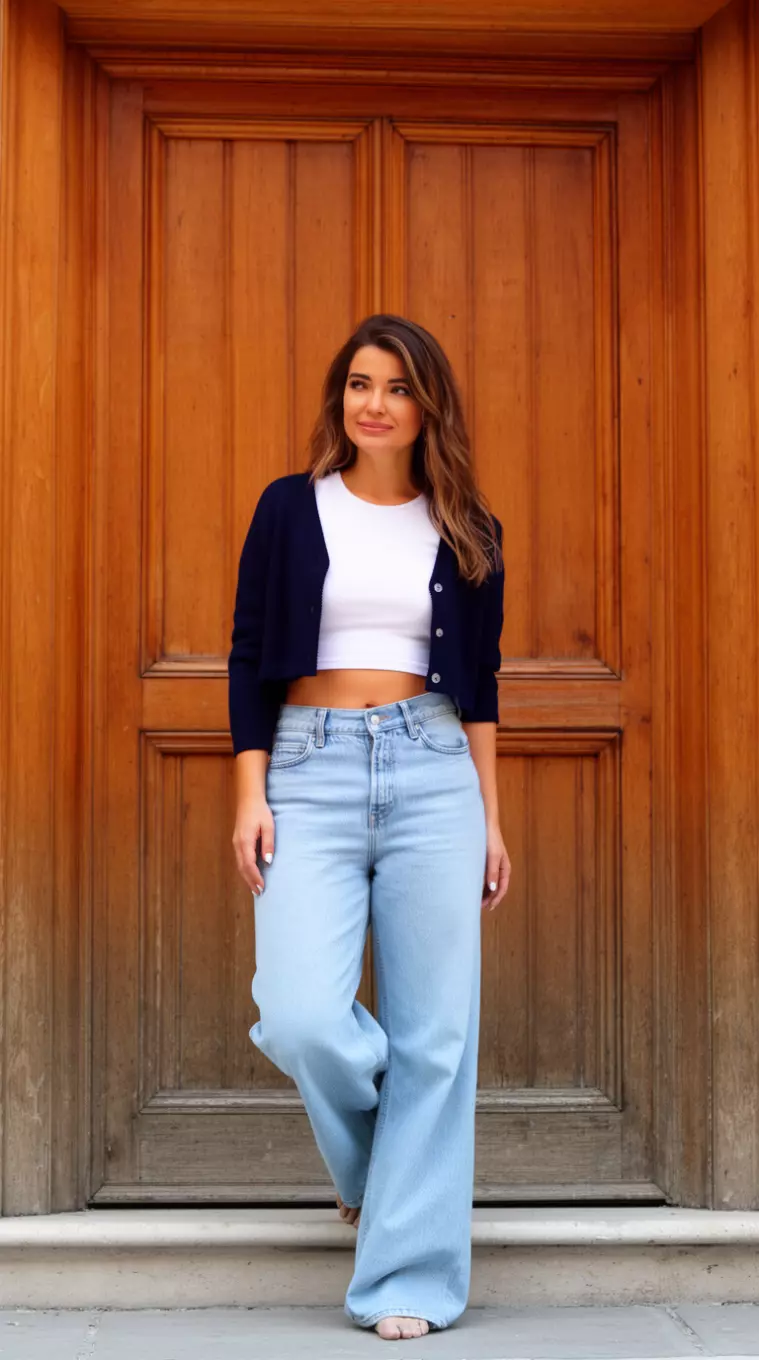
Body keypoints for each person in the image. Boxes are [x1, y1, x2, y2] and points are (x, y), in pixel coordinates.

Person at [228, 313, 511, 1341]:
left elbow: (480, 687)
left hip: (434, 771)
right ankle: (393, 1176)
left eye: (396, 387)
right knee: (299, 1011)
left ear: (428, 405)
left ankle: (407, 1280)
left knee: (436, 1033)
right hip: (309, 765)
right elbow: (247, 652)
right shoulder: (288, 508)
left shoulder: (468, 525)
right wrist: (251, 791)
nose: (375, 404)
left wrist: (491, 818)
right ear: (339, 397)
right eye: (359, 383)